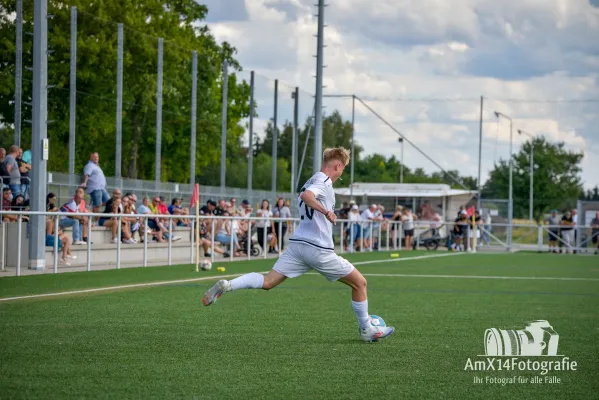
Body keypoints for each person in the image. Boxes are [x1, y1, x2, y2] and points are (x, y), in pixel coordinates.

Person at [202, 147, 395, 343]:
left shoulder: (309, 181)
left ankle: (228, 285)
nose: (340, 174)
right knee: (360, 283)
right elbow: (308, 197)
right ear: (337, 165)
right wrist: (326, 211)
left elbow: (306, 194)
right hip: (318, 248)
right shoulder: (324, 181)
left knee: (268, 281)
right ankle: (366, 329)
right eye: (342, 169)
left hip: (298, 246)